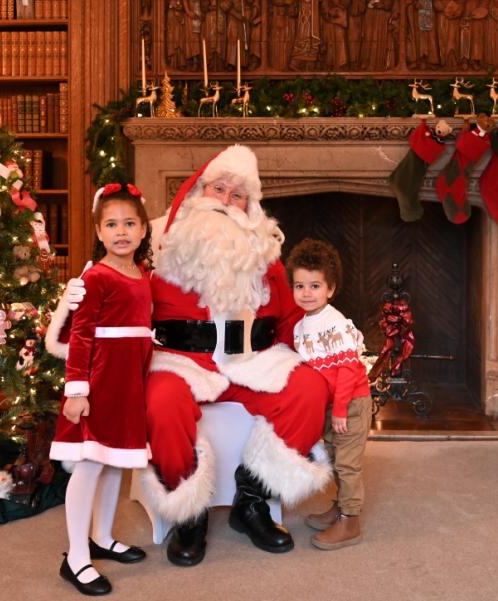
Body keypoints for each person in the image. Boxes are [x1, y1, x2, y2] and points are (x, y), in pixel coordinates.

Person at [50, 145, 331, 567]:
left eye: (238, 195)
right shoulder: (160, 248)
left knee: (309, 389)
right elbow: (116, 303)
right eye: (219, 189)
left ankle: (252, 499)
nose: (227, 202)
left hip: (251, 360)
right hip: (181, 360)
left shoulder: (265, 256)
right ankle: (189, 512)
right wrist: (76, 309)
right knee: (161, 403)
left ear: (251, 206)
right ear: (200, 192)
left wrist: (329, 355)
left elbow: (291, 317)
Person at [50, 182, 155, 595]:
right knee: (92, 462)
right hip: (100, 381)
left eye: (129, 223)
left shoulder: (142, 275)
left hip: (129, 381)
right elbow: (81, 335)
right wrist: (77, 390)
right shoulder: (95, 277)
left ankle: (102, 536)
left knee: (115, 462)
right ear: (98, 232)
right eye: (111, 224)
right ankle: (76, 558)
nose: (121, 231)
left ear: (143, 230)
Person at [286, 238, 371, 550]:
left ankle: (351, 520)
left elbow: (348, 370)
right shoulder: (301, 327)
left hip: (351, 403)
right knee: (334, 459)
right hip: (330, 406)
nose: (307, 293)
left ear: (330, 289)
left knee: (347, 463)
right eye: (300, 286)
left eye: (315, 286)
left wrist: (340, 409)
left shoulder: (335, 323)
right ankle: (340, 507)